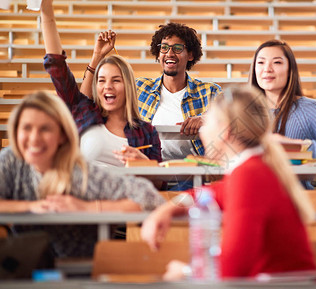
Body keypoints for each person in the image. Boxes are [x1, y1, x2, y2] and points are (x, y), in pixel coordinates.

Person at [140, 86, 316, 289]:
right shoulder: (253, 167)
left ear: (224, 130)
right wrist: (169, 208)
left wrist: (184, 273)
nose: (202, 131)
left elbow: (232, 271)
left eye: (207, 122)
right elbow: (212, 193)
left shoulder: (249, 176)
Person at [0, 91, 165, 258]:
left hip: (77, 274)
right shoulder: (10, 161)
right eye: (26, 128)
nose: (34, 138)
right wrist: (29, 207)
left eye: (45, 129)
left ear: (62, 135)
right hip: (22, 272)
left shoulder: (80, 173)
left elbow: (150, 198)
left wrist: (87, 208)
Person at [41, 0, 162, 167]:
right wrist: (46, 10)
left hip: (127, 191)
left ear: (128, 86)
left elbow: (159, 181)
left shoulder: (147, 131)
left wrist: (145, 164)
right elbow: (56, 65)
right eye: (102, 80)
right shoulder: (84, 112)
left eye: (116, 80)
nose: (108, 86)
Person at [81, 22, 222, 160]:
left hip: (194, 175)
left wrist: (206, 120)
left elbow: (234, 122)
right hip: (148, 171)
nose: (170, 53)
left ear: (190, 55)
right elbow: (82, 105)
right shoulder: (139, 88)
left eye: (177, 48)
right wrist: (97, 56)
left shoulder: (210, 92)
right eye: (164, 48)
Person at [249, 40, 316, 161]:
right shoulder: (243, 111)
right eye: (261, 62)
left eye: (277, 62)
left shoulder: (310, 109)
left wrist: (296, 147)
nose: (267, 69)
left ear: (290, 70)